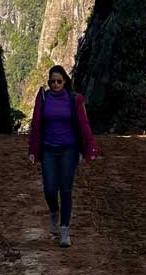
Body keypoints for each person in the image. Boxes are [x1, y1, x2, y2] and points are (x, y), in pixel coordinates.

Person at [27, 65, 98, 248]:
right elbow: (36, 125)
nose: (55, 84)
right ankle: (54, 212)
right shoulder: (43, 98)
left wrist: (90, 148)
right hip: (48, 149)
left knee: (65, 189)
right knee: (50, 188)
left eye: (59, 81)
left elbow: (84, 124)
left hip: (69, 150)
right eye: (52, 81)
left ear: (65, 81)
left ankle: (65, 230)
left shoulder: (74, 99)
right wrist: (33, 151)